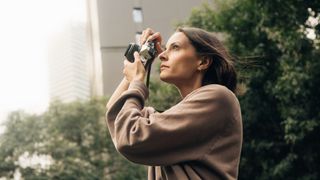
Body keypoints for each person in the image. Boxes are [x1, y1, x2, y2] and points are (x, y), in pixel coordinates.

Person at [105, 27, 243, 180]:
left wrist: (137, 81)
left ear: (203, 61)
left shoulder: (219, 97)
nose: (162, 55)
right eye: (165, 49)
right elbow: (117, 114)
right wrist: (142, 62)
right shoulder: (173, 120)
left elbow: (131, 137)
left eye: (175, 48)